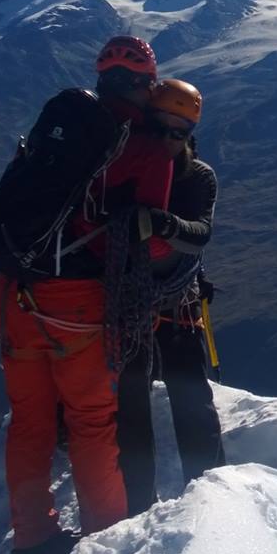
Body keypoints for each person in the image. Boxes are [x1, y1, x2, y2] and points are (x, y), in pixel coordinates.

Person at [0, 35, 174, 554]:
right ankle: (104, 547)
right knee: (92, 421)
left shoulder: (60, 127)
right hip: (74, 300)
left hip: (13, 288)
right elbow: (156, 242)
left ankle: (31, 539)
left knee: (29, 421)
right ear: (146, 83)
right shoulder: (142, 145)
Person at [115, 78, 225, 515]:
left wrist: (159, 223)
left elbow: (200, 234)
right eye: (159, 127)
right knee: (135, 402)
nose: (166, 139)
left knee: (189, 398)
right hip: (146, 300)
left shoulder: (197, 177)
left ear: (189, 134)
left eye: (177, 132)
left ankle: (213, 497)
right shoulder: (121, 168)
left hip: (166, 302)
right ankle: (138, 502)